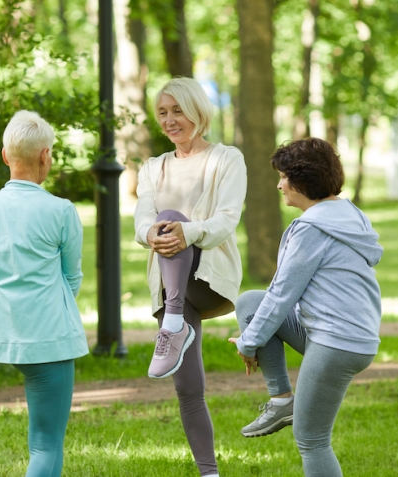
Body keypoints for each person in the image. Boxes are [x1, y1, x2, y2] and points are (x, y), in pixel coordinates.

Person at [228, 138, 383, 477]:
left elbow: (283, 294)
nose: (279, 184)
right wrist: (252, 336)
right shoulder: (348, 213)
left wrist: (247, 342)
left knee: (312, 440)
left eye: (285, 176)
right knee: (251, 302)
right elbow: (272, 300)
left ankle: (285, 405)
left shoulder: (311, 228)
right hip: (348, 336)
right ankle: (283, 401)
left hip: (338, 343)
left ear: (304, 179)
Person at [0, 110, 88, 477]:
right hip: (48, 336)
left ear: (5, 156)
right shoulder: (61, 211)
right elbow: (72, 277)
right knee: (47, 444)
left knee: (43, 443)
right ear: (45, 155)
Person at [133, 77, 247, 477]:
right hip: (170, 284)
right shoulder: (153, 167)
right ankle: (209, 472)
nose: (169, 120)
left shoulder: (226, 158)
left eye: (177, 110)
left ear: (198, 110)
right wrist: (152, 233)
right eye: (162, 112)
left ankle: (174, 320)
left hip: (210, 278)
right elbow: (142, 218)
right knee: (187, 388)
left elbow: (226, 221)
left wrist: (184, 231)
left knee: (171, 220)